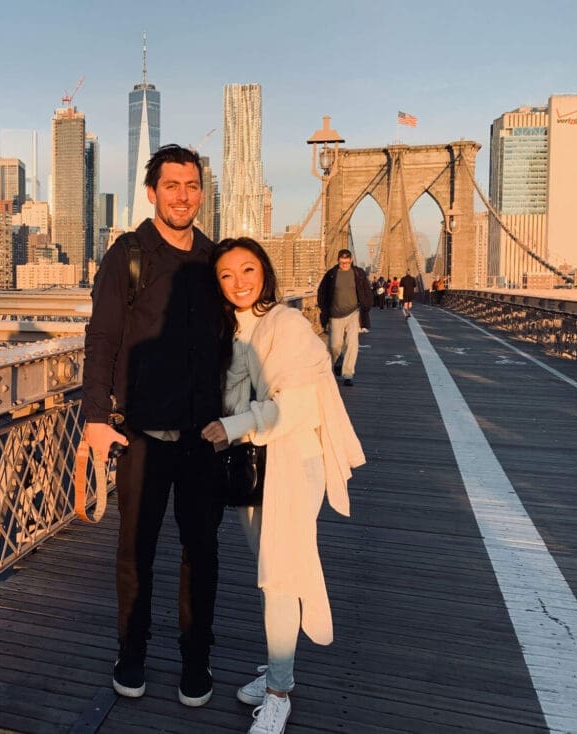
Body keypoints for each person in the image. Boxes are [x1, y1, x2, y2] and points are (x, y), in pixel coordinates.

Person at [201, 238, 365, 734]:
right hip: (254, 468)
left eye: (247, 270)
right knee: (274, 570)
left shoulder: (288, 325)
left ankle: (278, 694)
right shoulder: (232, 329)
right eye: (226, 275)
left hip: (293, 461)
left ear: (265, 272)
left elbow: (296, 406)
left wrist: (230, 427)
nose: (239, 283)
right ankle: (278, 668)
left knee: (279, 575)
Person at [82, 144, 224, 707]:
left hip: (204, 439)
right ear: (152, 192)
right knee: (135, 552)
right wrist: (94, 416)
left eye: (191, 186)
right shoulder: (128, 255)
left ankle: (196, 661)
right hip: (142, 436)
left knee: (201, 552)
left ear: (200, 192)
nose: (183, 196)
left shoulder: (215, 258)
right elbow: (102, 339)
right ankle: (132, 653)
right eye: (172, 186)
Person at [317, 249, 373, 387]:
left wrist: (367, 304)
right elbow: (322, 291)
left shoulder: (358, 273)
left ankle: (348, 374)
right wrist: (324, 308)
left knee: (352, 344)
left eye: (347, 263)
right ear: (338, 261)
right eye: (342, 263)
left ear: (351, 261)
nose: (345, 265)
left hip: (354, 312)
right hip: (335, 315)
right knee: (335, 345)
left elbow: (366, 289)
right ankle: (339, 360)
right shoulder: (331, 274)